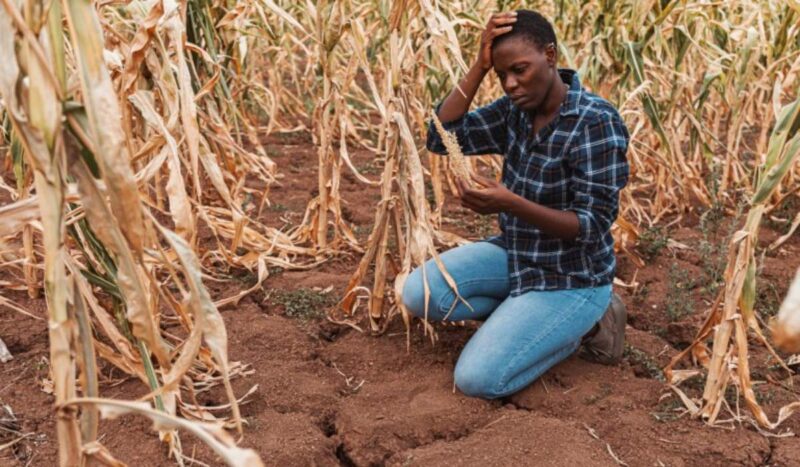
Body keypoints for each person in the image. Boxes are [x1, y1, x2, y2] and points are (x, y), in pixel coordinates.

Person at [402, 10, 630, 399]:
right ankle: (528, 320)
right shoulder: (517, 111)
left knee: (478, 380)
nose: (510, 84)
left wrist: (511, 203)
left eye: (520, 70)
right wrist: (478, 65)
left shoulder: (594, 121)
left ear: (551, 55)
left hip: (571, 276)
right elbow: (442, 137)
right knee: (419, 293)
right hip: (517, 254)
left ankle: (590, 323)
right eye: (501, 75)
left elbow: (590, 226)